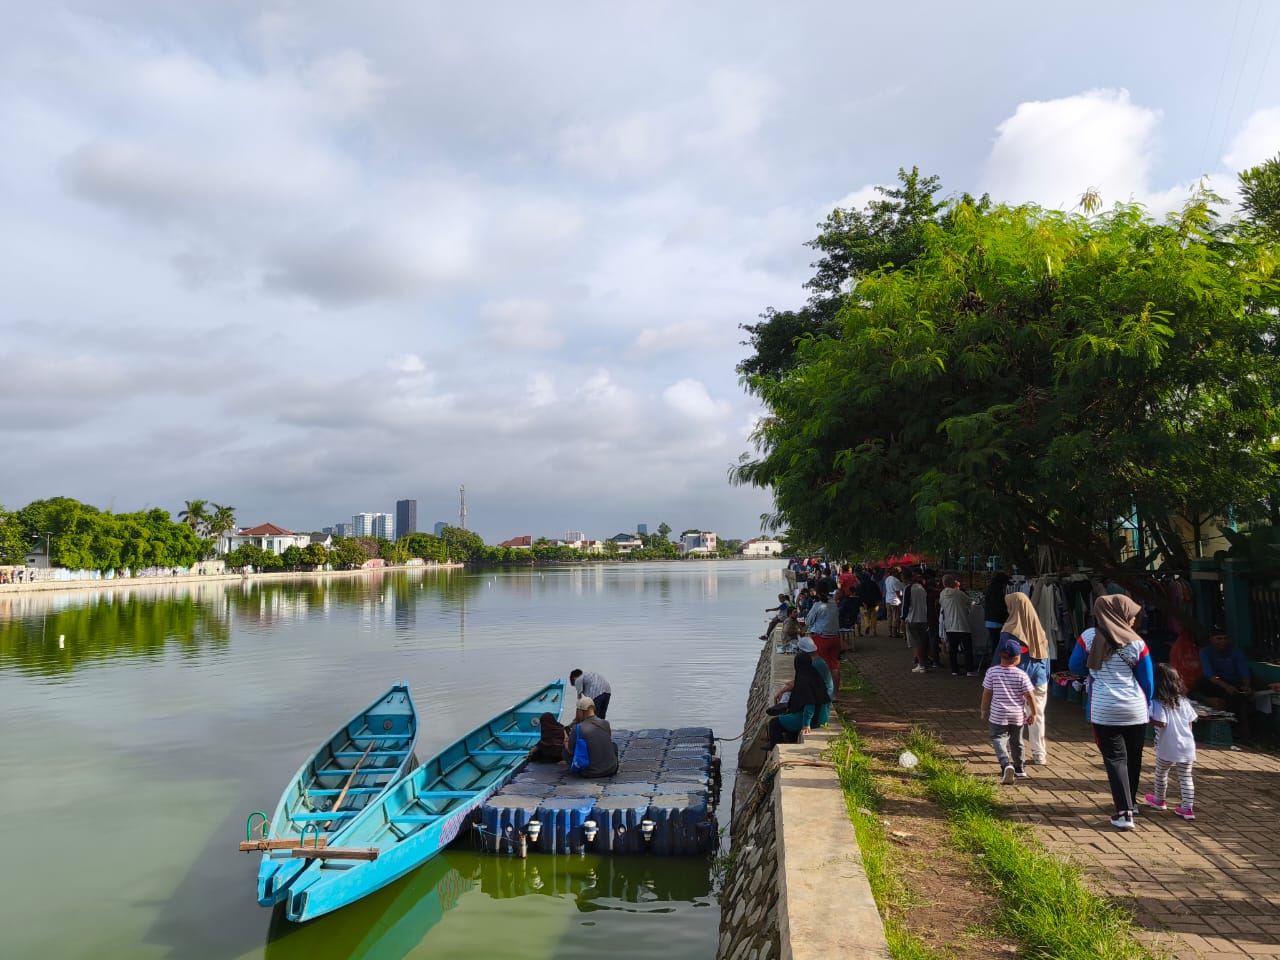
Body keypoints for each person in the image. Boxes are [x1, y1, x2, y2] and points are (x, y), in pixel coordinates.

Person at [1068, 595, 1154, 831]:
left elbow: (1075, 666)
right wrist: (1149, 705)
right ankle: (1132, 803)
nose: (1134, 618)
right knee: (1134, 757)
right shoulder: (1138, 642)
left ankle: (1124, 813)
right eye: (1132, 613)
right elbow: (1147, 682)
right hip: (1136, 710)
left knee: (1116, 759)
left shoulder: (1088, 637)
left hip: (1104, 710)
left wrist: (1095, 667)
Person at [994, 592, 1051, 765]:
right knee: (1037, 714)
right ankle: (1039, 754)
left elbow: (1000, 657)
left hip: (1014, 680)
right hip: (1038, 678)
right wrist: (1046, 676)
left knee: (1013, 716)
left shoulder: (1009, 631)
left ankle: (1012, 750)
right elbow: (1046, 656)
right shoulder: (1038, 629)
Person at [981, 637, 1039, 783]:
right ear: (1017, 658)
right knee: (1017, 741)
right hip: (1018, 716)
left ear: (1000, 655)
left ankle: (1005, 764)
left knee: (998, 739)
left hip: (998, 715)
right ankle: (1020, 769)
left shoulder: (992, 672)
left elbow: (987, 692)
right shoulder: (1022, 675)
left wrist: (984, 709)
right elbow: (1030, 696)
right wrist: (1034, 712)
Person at [1144, 663, 1198, 820]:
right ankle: (1187, 809)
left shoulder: (1158, 703)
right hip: (1187, 745)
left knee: (1161, 773)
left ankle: (1159, 800)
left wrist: (1147, 718)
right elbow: (1190, 723)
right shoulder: (1184, 701)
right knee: (1185, 776)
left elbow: (1162, 723)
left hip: (1167, 745)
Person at [1195, 631, 1255, 738]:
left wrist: (1247, 686)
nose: (1222, 641)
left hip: (1234, 682)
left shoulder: (1236, 652)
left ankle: (1242, 731)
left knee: (1240, 699)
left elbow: (1244, 672)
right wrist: (1226, 686)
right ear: (1211, 640)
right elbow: (1210, 674)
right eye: (1219, 638)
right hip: (1215, 682)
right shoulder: (1205, 652)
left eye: (1225, 638)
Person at [766, 653, 831, 748]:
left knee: (774, 723)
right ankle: (789, 740)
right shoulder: (815, 675)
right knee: (788, 716)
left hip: (814, 719)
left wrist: (806, 724)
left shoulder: (804, 679)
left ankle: (775, 746)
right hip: (823, 717)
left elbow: (810, 704)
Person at [773, 636, 834, 727]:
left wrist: (781, 691)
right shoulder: (817, 660)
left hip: (821, 699)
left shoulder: (812, 664)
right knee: (789, 690)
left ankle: (786, 714)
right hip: (825, 695)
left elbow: (803, 685)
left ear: (802, 651)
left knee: (788, 694)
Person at [564, 696, 619, 777]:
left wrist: (565, 739)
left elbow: (570, 750)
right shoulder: (605, 723)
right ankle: (608, 765)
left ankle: (576, 769)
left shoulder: (578, 727)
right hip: (612, 770)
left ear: (580, 711)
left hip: (589, 773)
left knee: (565, 751)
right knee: (613, 745)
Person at [803, 587, 841, 693]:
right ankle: (835, 695)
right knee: (834, 665)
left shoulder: (817, 605)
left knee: (820, 665)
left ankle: (822, 691)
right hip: (835, 638)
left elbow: (808, 622)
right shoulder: (834, 603)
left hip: (822, 638)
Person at [940, 575, 977, 676]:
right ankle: (969, 669)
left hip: (949, 625)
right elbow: (970, 603)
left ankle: (954, 670)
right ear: (952, 583)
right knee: (967, 649)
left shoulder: (942, 594)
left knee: (953, 649)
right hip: (962, 624)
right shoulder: (959, 593)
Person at [982, 572, 1011, 675]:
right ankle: (996, 666)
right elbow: (999, 608)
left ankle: (995, 666)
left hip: (990, 621)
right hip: (996, 621)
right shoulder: (997, 592)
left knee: (995, 644)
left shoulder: (991, 590)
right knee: (997, 645)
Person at [902, 574, 930, 673]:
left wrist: (903, 617)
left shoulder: (908, 589)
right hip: (923, 619)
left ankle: (921, 664)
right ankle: (923, 662)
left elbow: (905, 605)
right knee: (922, 643)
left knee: (915, 643)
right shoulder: (922, 589)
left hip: (912, 619)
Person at [857, 570, 881, 636]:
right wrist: (879, 600)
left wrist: (862, 603)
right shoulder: (873, 583)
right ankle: (874, 631)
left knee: (866, 616)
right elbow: (878, 592)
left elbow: (859, 595)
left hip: (865, 604)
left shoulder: (860, 585)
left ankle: (867, 625)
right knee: (874, 617)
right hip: (874, 603)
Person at [883, 566, 904, 637]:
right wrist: (901, 601)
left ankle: (890, 632)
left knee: (889, 617)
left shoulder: (887, 579)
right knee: (896, 617)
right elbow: (898, 593)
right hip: (895, 601)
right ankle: (895, 633)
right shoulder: (896, 581)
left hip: (888, 600)